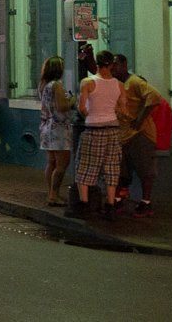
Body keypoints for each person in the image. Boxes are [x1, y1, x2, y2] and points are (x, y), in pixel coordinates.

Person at [72, 50, 127, 221]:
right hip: (112, 130)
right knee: (111, 169)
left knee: (85, 168)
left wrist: (89, 114)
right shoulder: (119, 85)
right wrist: (113, 110)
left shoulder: (87, 82)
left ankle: (84, 205)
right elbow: (123, 110)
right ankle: (110, 206)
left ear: (96, 63)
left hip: (94, 129)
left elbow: (81, 107)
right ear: (111, 65)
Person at [112, 54, 163, 217]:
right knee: (119, 171)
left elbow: (154, 96)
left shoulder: (134, 81)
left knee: (145, 171)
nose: (113, 69)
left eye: (115, 65)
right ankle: (117, 201)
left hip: (139, 134)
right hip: (122, 134)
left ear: (124, 64)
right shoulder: (115, 84)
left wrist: (140, 119)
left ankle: (145, 203)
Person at [38, 56, 75, 207]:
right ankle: (54, 195)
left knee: (51, 163)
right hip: (59, 128)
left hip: (46, 126)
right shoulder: (57, 86)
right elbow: (62, 106)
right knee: (62, 164)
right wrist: (73, 100)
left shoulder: (43, 85)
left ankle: (50, 193)